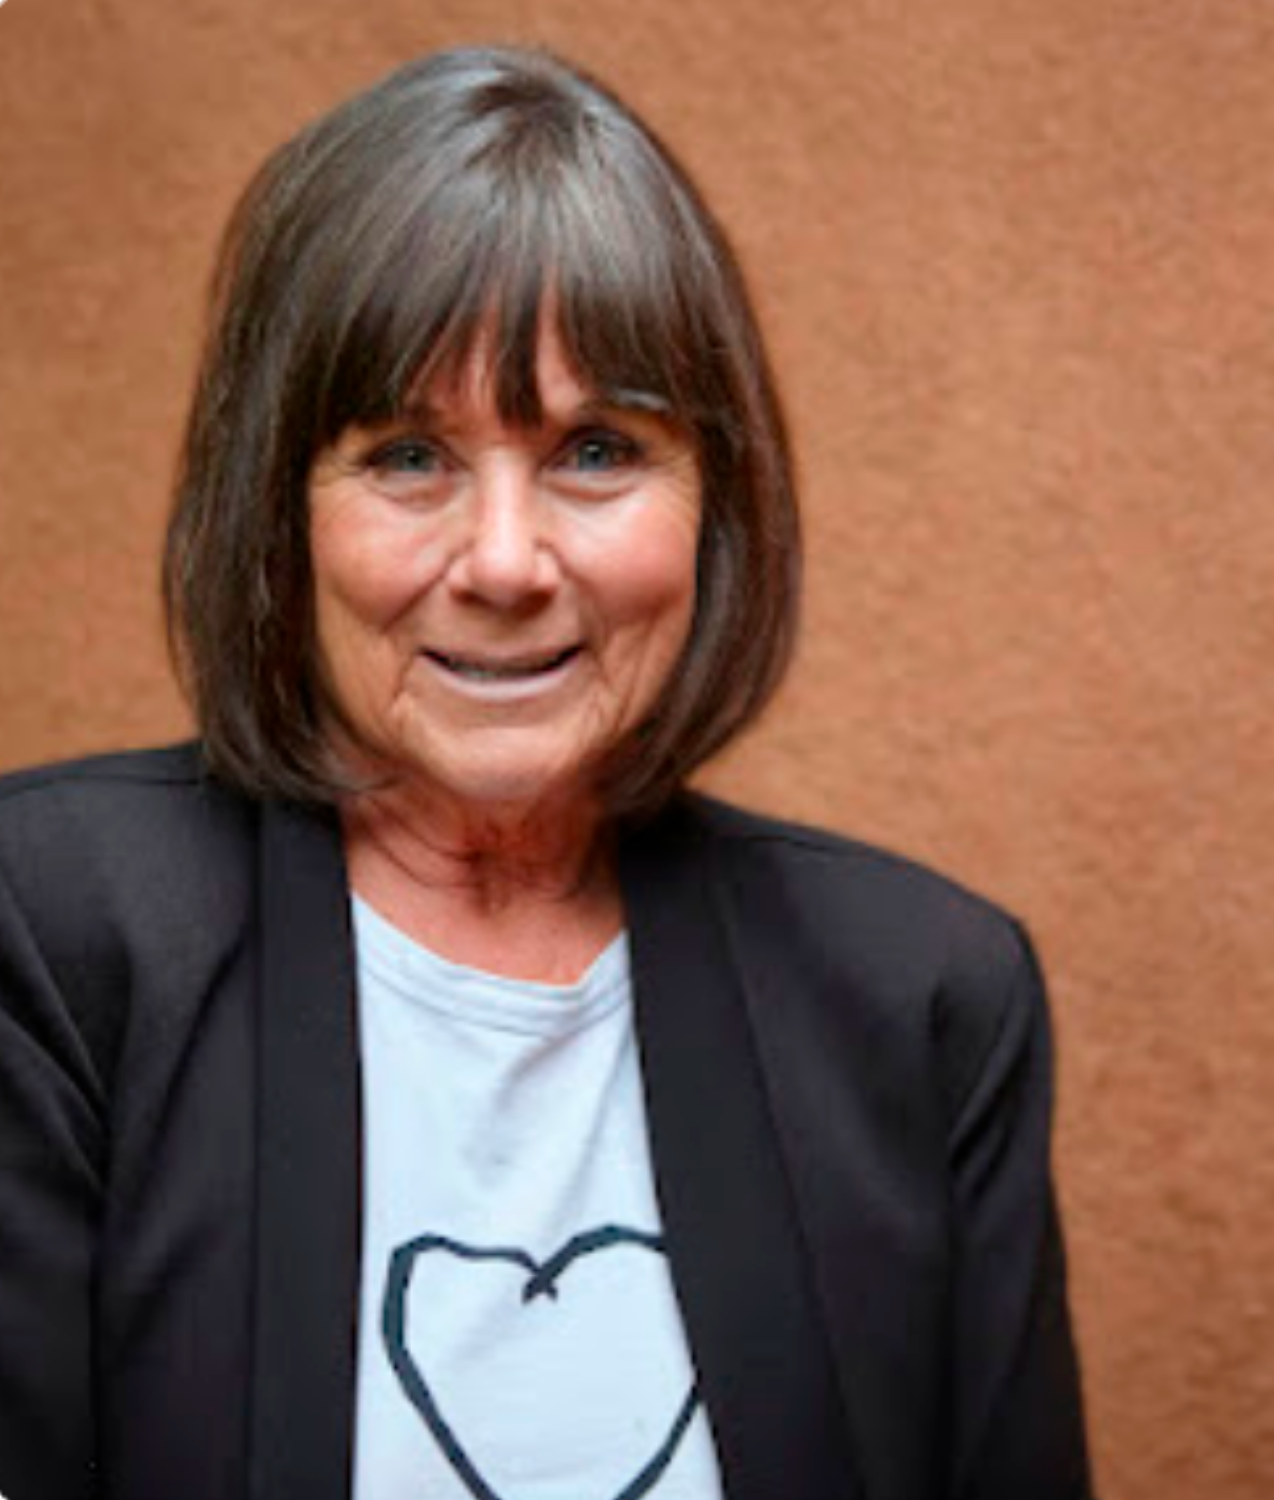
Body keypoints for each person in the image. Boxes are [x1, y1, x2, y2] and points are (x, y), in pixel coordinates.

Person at [0, 45, 1092, 1500]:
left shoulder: (927, 1001)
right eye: (408, 456)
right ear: (278, 513)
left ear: (714, 507)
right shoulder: (48, 940)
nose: (506, 563)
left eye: (594, 449)